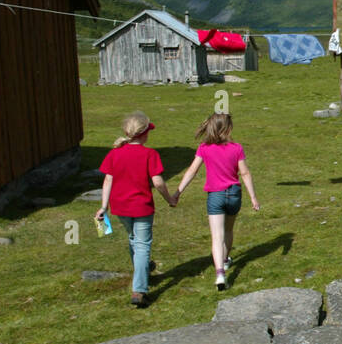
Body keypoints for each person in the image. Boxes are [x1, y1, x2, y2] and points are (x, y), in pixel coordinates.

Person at [96, 111, 174, 307]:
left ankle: (143, 269)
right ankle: (139, 290)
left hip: (120, 208)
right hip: (142, 208)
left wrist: (103, 207)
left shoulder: (114, 154)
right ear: (144, 133)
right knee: (142, 245)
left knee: (134, 239)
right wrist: (170, 199)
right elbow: (158, 182)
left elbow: (107, 180)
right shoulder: (150, 154)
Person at [173, 113, 260, 290]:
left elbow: (192, 171)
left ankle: (220, 273)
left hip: (215, 196)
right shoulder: (237, 148)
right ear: (227, 129)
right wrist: (253, 197)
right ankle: (226, 260)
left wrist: (177, 192)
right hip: (234, 194)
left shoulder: (204, 148)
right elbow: (245, 173)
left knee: (217, 236)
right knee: (228, 230)